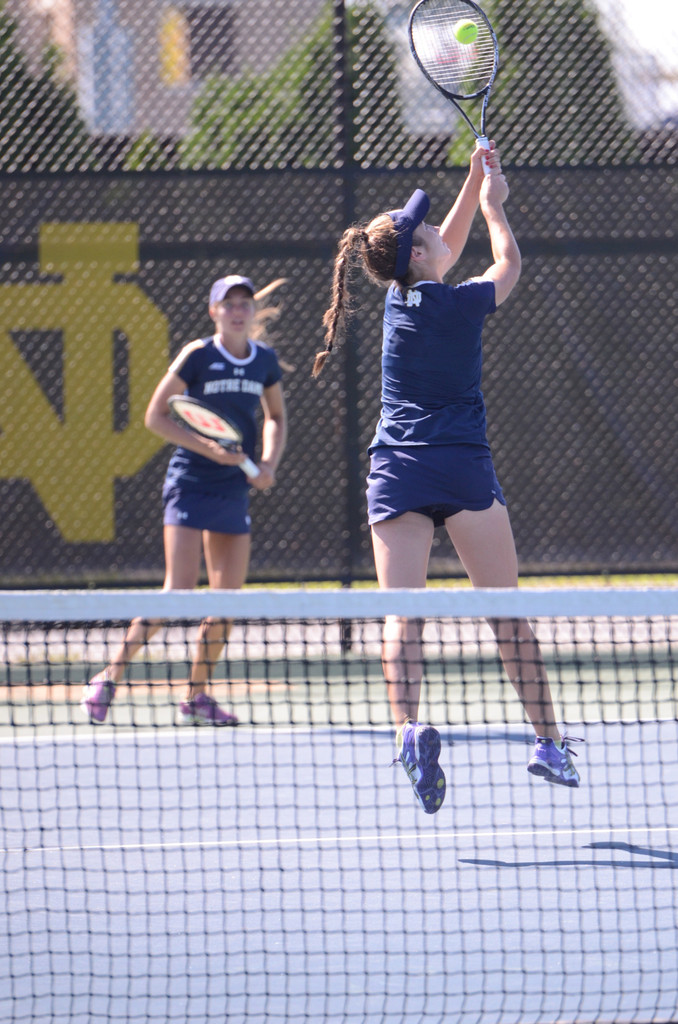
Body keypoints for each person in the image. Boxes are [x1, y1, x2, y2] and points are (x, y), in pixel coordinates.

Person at [312, 144, 580, 813]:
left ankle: (407, 730)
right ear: (421, 257)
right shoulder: (461, 306)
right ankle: (548, 742)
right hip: (461, 466)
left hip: (398, 470)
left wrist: (472, 177)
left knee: (403, 614)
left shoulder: (400, 302)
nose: (434, 227)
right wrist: (494, 205)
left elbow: (445, 248)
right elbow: (507, 263)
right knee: (507, 613)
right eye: (424, 227)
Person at [81, 274, 287, 725]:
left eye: (244, 302)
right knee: (178, 592)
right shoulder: (198, 355)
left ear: (252, 311)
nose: (237, 309)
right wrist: (210, 450)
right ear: (214, 311)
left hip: (233, 489)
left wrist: (268, 463)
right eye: (227, 302)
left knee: (227, 602)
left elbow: (275, 416)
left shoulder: (263, 361)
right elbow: (156, 417)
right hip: (191, 482)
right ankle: (109, 676)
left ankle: (197, 696)